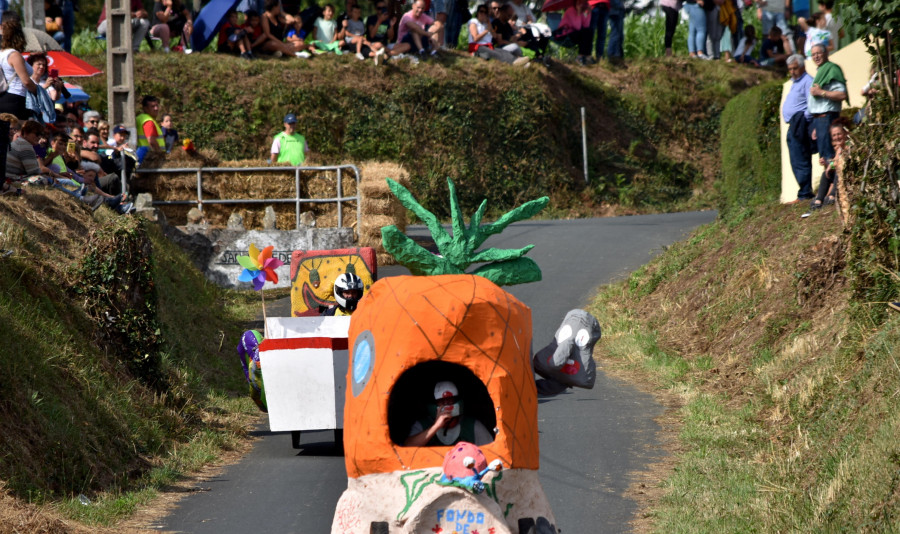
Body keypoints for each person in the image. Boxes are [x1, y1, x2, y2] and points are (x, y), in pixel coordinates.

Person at [404, 380, 493, 447]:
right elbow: (407, 447)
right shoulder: (422, 425)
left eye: (450, 399)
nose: (446, 404)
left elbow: (491, 452)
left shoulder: (472, 425)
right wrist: (435, 426)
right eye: (441, 401)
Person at [807, 44, 846, 165]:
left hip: (828, 117)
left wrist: (820, 92)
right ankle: (830, 180)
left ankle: (835, 182)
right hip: (819, 120)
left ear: (826, 53)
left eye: (818, 53)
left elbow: (841, 95)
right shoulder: (820, 71)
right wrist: (815, 125)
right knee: (824, 159)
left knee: (830, 157)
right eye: (813, 54)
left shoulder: (832, 69)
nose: (816, 56)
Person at [783, 54, 814, 201]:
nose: (792, 72)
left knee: (801, 158)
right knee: (795, 158)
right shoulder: (795, 82)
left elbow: (812, 103)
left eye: (795, 68)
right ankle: (804, 191)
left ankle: (805, 193)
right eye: (790, 69)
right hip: (794, 124)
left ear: (802, 67)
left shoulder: (807, 81)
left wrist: (803, 119)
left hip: (800, 123)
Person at [804, 118, 848, 217]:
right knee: (825, 174)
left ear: (844, 134)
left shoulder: (848, 146)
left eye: (839, 134)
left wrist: (831, 165)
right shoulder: (839, 149)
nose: (837, 137)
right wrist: (827, 164)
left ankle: (832, 195)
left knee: (838, 171)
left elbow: (839, 163)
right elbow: (834, 163)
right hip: (837, 174)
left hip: (845, 174)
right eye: (834, 135)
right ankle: (819, 199)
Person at [0, 12, 37, 121]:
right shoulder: (14, 55)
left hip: (3, 98)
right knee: (18, 134)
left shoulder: (2, 53)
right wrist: (39, 91)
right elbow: (26, 81)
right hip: (16, 98)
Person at [553, 0, 592, 65]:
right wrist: (579, 13)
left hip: (574, 34)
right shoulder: (570, 10)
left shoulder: (582, 11)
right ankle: (581, 56)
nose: (582, 4)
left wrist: (588, 14)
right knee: (583, 33)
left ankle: (585, 56)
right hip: (564, 35)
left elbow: (586, 26)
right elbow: (577, 27)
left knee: (589, 31)